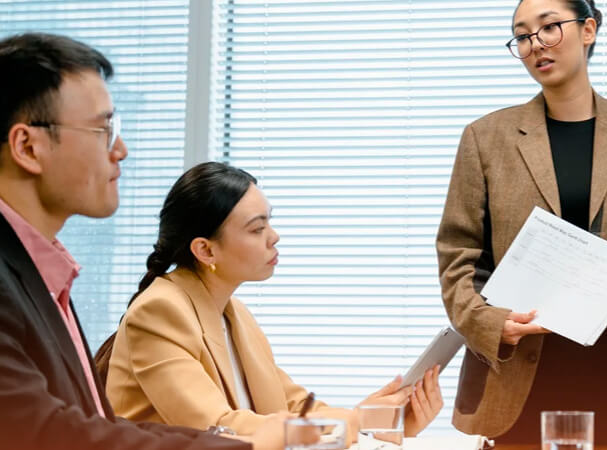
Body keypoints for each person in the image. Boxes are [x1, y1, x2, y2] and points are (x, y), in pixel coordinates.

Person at [0, 32, 286, 450]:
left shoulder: (42, 275)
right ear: (28, 146)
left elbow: (89, 422)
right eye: (103, 129)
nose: (121, 150)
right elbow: (46, 432)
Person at [436, 0, 607, 445]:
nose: (536, 44)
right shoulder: (485, 138)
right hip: (516, 368)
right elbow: (457, 258)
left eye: (549, 28)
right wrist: (488, 322)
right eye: (522, 36)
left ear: (589, 30)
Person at [95, 161, 443, 439]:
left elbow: (294, 405)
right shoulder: (160, 311)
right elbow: (216, 427)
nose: (274, 237)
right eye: (256, 228)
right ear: (205, 249)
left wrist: (380, 419)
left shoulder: (234, 313)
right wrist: (355, 422)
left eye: (269, 222)